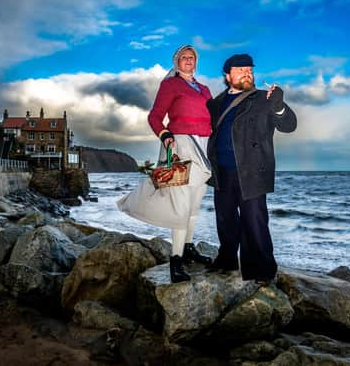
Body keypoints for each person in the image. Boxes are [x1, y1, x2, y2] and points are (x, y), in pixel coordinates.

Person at [117, 44, 213, 283]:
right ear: (176, 62)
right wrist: (165, 135)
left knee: (194, 205)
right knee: (180, 205)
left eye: (192, 57)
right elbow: (155, 116)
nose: (188, 60)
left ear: (196, 62)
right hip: (181, 145)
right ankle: (176, 261)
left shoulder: (205, 89)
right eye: (184, 57)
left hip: (204, 147)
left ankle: (188, 248)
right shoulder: (170, 85)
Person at [206, 53, 297, 285]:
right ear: (228, 76)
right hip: (222, 171)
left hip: (252, 171)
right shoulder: (215, 103)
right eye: (240, 70)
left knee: (254, 222)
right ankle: (226, 259)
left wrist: (278, 105)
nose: (247, 73)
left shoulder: (264, 98)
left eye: (250, 70)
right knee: (225, 220)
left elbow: (289, 125)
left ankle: (263, 270)